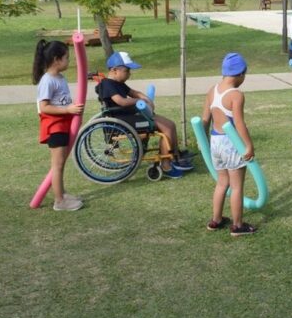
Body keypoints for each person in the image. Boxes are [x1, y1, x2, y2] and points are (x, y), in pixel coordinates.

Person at [97, 51, 193, 178]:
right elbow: (121, 101)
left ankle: (175, 156)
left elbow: (134, 92)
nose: (129, 74)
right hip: (124, 120)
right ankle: (166, 165)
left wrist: (146, 98)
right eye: (127, 70)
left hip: (132, 116)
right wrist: (139, 101)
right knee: (166, 129)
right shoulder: (107, 84)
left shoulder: (119, 83)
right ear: (115, 70)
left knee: (171, 124)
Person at [201, 53, 257, 236]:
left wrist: (203, 142)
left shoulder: (212, 90)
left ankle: (216, 220)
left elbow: (204, 120)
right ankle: (237, 225)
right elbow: (239, 124)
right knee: (237, 186)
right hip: (231, 143)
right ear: (240, 74)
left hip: (215, 141)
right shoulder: (236, 95)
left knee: (221, 183)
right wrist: (248, 145)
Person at [33, 40, 85, 211]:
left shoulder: (59, 78)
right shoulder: (47, 81)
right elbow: (44, 107)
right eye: (66, 58)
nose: (68, 61)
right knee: (58, 165)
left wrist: (70, 112)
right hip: (54, 126)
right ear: (56, 59)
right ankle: (59, 201)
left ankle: (61, 193)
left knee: (61, 164)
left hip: (62, 125)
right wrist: (67, 109)